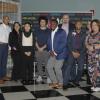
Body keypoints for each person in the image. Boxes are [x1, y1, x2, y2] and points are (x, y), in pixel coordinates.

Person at [63, 20, 86, 90]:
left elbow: (85, 45)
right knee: (68, 66)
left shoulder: (84, 33)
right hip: (72, 52)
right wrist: (73, 52)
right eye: (77, 24)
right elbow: (68, 43)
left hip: (81, 53)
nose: (78, 25)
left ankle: (76, 81)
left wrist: (79, 53)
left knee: (81, 68)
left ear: (81, 25)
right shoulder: (71, 32)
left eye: (80, 24)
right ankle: (65, 84)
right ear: (75, 25)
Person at [47, 19, 67, 89]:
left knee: (57, 68)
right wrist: (50, 50)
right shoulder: (50, 32)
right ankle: (55, 82)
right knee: (49, 67)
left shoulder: (62, 32)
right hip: (52, 53)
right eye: (51, 24)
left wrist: (55, 52)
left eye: (53, 24)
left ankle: (61, 83)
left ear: (57, 24)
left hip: (60, 54)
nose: (52, 25)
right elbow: (48, 42)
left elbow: (63, 43)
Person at [35, 16, 51, 83]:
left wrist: (42, 48)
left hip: (46, 50)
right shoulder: (36, 30)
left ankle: (48, 77)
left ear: (46, 23)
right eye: (41, 21)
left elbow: (49, 41)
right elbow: (34, 40)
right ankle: (40, 76)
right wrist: (38, 48)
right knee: (39, 63)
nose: (42, 23)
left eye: (43, 22)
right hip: (37, 50)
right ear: (39, 22)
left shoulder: (49, 31)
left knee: (47, 64)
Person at [85, 19, 100, 92]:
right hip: (90, 56)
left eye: (95, 25)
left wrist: (93, 47)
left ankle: (98, 85)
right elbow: (86, 43)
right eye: (92, 25)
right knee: (90, 71)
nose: (94, 26)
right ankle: (94, 84)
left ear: (98, 25)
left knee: (97, 71)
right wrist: (88, 47)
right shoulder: (89, 34)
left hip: (98, 56)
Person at [0, 16, 11, 84]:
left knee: (4, 62)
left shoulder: (9, 28)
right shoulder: (0, 27)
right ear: (2, 19)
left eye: (8, 19)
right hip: (0, 45)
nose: (7, 20)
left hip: (6, 46)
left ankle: (3, 76)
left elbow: (9, 38)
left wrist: (9, 48)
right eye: (5, 18)